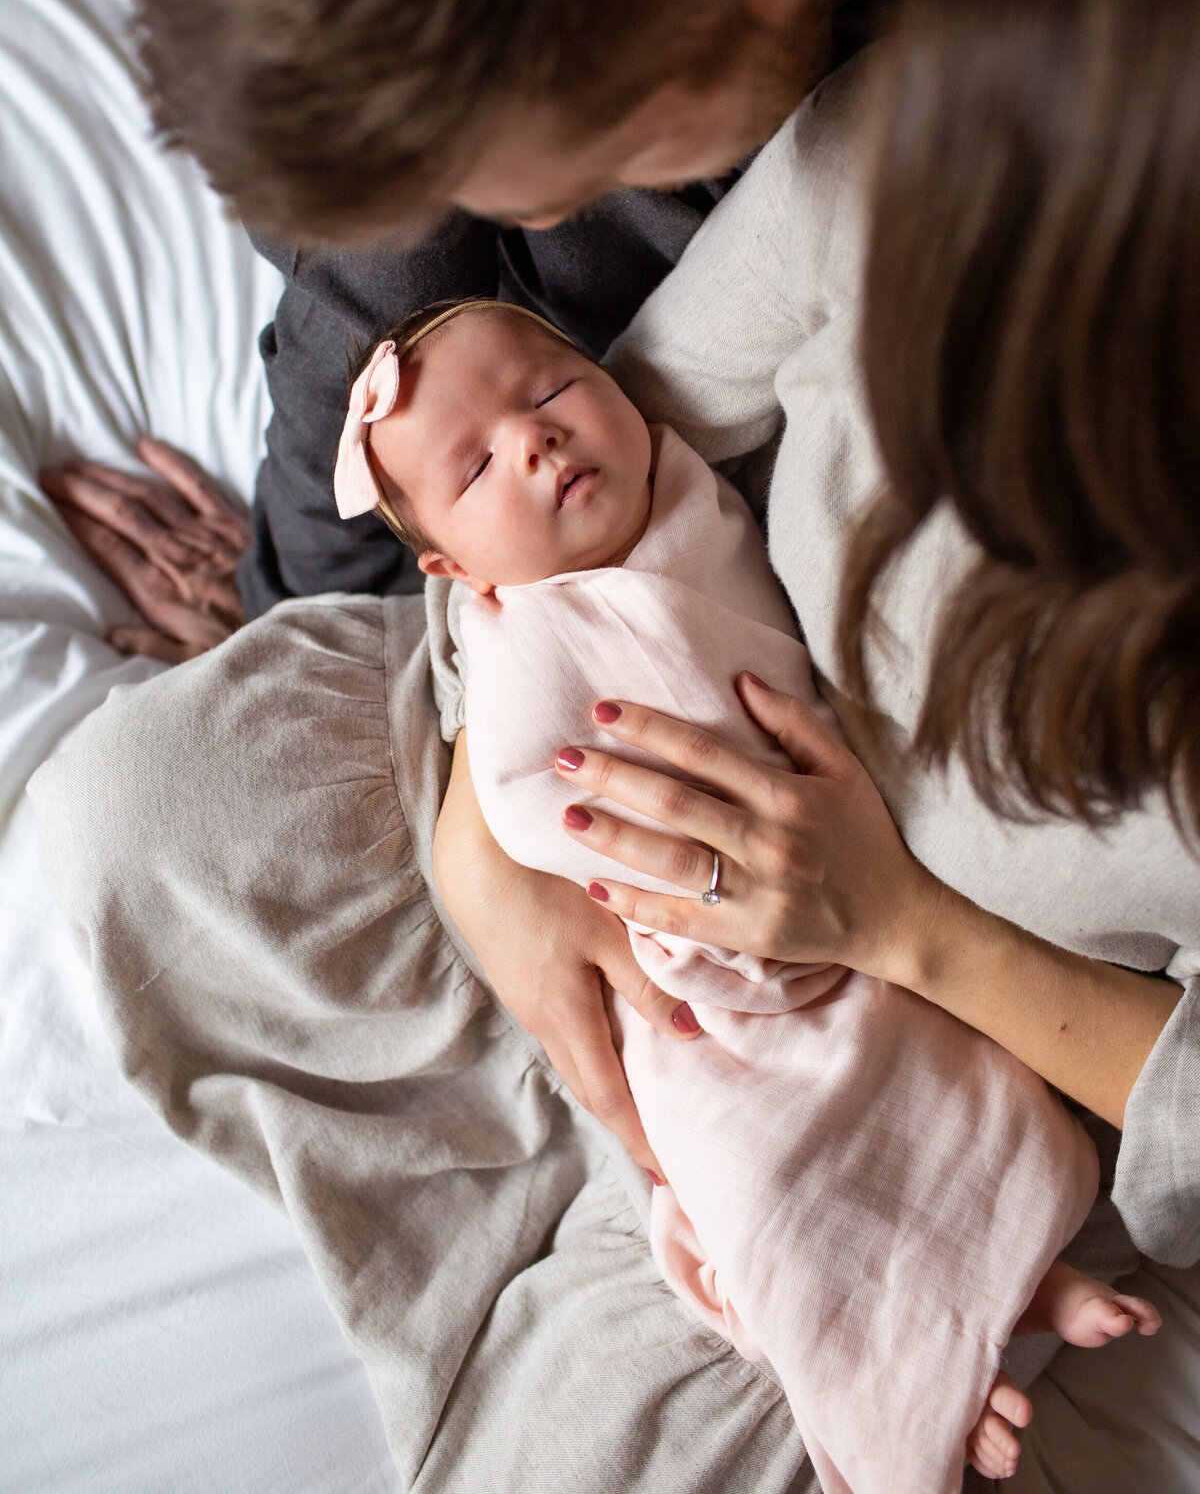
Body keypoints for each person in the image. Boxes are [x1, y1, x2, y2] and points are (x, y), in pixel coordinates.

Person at [39, 0, 1190, 1181]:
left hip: (950, 959)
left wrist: (897, 927)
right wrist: (408, 719)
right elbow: (395, 296)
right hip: (600, 609)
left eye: (542, 193)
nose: (489, 248)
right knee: (137, 818)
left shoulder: (1022, 51)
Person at [329, 294, 1152, 1489]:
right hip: (707, 993)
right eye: (478, 464)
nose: (537, 440)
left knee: (965, 1087)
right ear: (459, 573)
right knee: (763, 1192)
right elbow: (532, 802)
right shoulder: (520, 646)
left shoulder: (686, 486)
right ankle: (904, 1370)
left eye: (550, 390)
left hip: (864, 890)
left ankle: (1006, 1283)